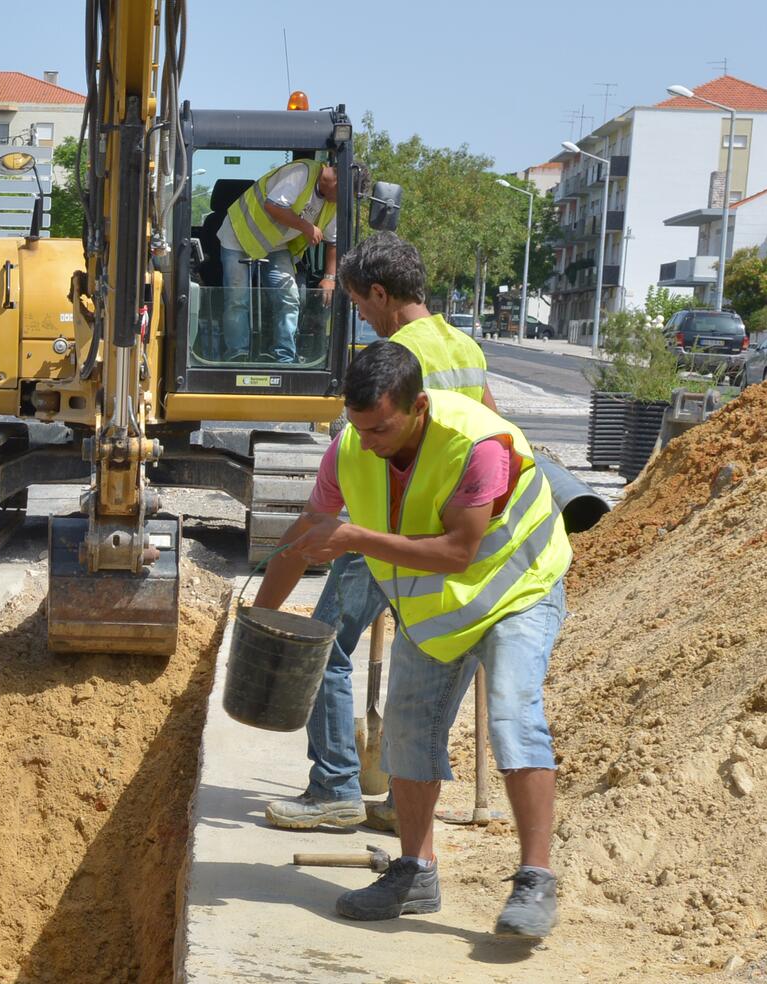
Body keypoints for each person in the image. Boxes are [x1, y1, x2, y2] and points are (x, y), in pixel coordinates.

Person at [253, 340, 571, 941]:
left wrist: (354, 538)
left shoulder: (477, 444)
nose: (368, 441)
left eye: (380, 428)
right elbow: (307, 532)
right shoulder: (350, 449)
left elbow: (459, 551)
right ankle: (416, 872)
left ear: (418, 406)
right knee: (406, 730)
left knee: (512, 714)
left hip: (517, 591)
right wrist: (261, 621)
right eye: (358, 427)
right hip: (438, 613)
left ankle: (535, 878)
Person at [264, 232, 499, 832]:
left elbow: (370, 452)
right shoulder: (464, 345)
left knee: (323, 647)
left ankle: (335, 787)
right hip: (448, 533)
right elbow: (493, 428)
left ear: (379, 292)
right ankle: (399, 797)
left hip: (389, 528)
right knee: (426, 656)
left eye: (360, 305)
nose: (362, 318)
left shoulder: (396, 359)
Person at [218, 159, 337, 364]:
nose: (343, 201)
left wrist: (329, 278)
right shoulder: (301, 173)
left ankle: (284, 357)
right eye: (345, 194)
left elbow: (333, 241)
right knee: (237, 299)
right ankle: (237, 354)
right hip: (239, 235)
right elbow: (273, 206)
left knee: (289, 297)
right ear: (338, 181)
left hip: (275, 245)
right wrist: (307, 227)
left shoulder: (333, 204)